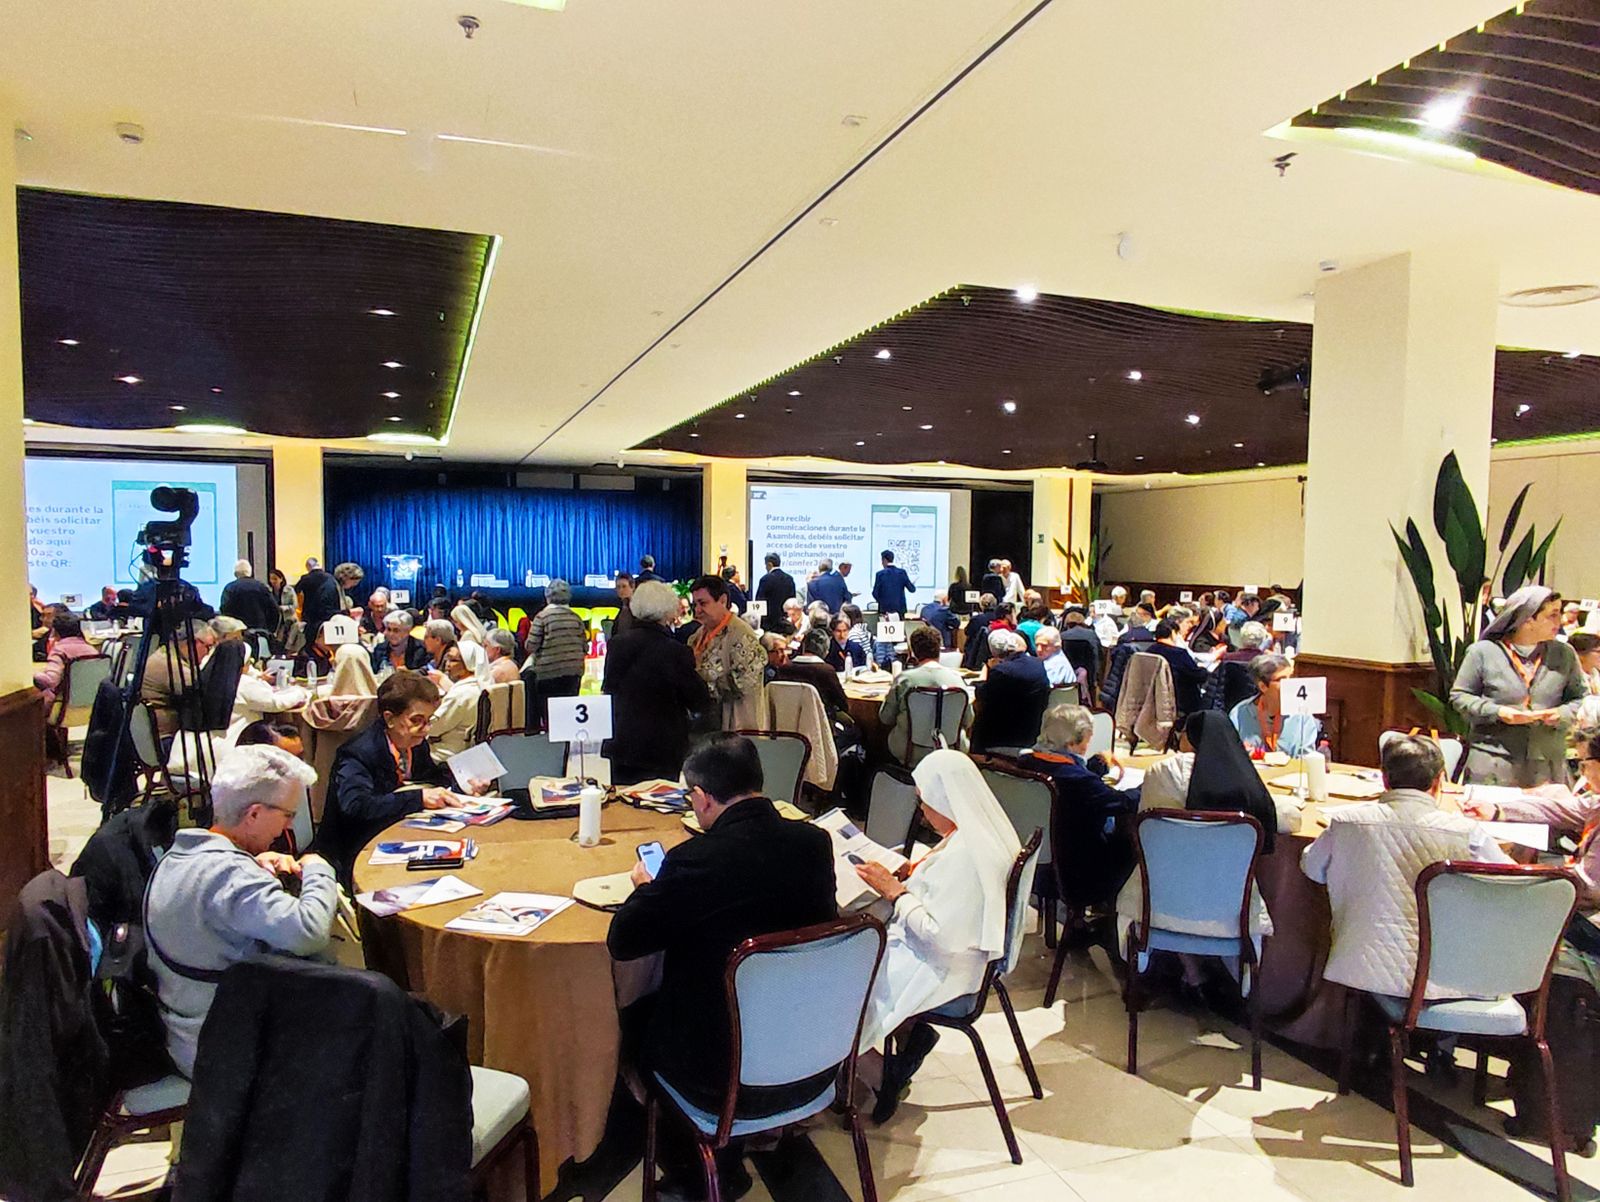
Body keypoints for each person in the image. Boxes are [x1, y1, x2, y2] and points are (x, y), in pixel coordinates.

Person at [608, 735, 836, 1196]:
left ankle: (697, 1167)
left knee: (630, 1017)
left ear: (702, 798)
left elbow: (624, 941)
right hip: (813, 1052)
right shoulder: (814, 842)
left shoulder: (696, 861)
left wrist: (645, 888)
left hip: (719, 1075)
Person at [144, 744, 334, 1077]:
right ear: (255, 814)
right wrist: (319, 870)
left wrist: (253, 865)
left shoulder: (177, 857)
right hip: (221, 1046)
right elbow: (309, 932)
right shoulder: (230, 875)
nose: (288, 827)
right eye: (288, 814)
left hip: (185, 1025)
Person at [854, 750, 1021, 1121]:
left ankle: (881, 1076)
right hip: (964, 960)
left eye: (925, 803)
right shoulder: (982, 832)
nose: (923, 812)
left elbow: (939, 935)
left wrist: (896, 893)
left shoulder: (967, 857)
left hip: (940, 966)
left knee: (838, 992)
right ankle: (910, 1035)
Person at [1301, 734, 1513, 1001]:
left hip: (1359, 966)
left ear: (1384, 779)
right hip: (1443, 975)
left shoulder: (1345, 821)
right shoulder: (1466, 832)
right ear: (1438, 783)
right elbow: (1510, 882)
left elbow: (1311, 867)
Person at [1117, 711, 1296, 996]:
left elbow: (1149, 826)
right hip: (1231, 910)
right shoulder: (1242, 776)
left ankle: (1188, 971)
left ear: (1189, 738)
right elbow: (1279, 819)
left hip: (1162, 905)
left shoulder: (1163, 773)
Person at [318, 671, 490, 885]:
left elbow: (431, 778)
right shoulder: (358, 753)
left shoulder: (414, 743)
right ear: (389, 718)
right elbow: (356, 806)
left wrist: (463, 785)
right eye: (417, 720)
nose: (425, 729)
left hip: (396, 838)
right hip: (353, 853)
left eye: (429, 720)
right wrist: (418, 799)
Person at [1451, 585, 1587, 786]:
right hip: (1494, 760)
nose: (1559, 622)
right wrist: (1498, 712)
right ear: (1528, 619)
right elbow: (1460, 696)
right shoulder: (1482, 652)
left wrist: (1562, 713)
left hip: (1547, 761)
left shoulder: (1564, 654)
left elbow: (1580, 698)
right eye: (1553, 615)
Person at [1020, 704, 1138, 911]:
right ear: (1073, 742)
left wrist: (1095, 767)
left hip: (1032, 866)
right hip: (1076, 875)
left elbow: (1069, 776)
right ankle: (1110, 917)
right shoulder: (1080, 782)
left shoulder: (1025, 763)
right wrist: (1152, 783)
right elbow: (1122, 803)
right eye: (1087, 739)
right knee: (1132, 843)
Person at [601, 581, 713, 785]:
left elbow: (609, 688)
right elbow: (699, 700)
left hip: (623, 742)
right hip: (663, 746)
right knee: (658, 809)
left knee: (623, 809)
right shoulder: (676, 651)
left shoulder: (617, 645)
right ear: (668, 612)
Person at [687, 573, 768, 731]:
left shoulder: (743, 635)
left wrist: (700, 681)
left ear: (723, 600)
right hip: (706, 725)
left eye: (703, 603)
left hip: (736, 727)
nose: (697, 610)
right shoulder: (697, 635)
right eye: (695, 604)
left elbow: (744, 684)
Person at [879, 626, 970, 760]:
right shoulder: (957, 680)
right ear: (939, 649)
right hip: (951, 750)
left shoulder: (904, 680)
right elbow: (968, 719)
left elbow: (885, 717)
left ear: (913, 653)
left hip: (909, 751)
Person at [521, 578, 587, 728]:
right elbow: (585, 646)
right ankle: (566, 745)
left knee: (550, 717)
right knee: (568, 716)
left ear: (547, 597)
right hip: (573, 673)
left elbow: (531, 646)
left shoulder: (542, 617)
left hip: (549, 674)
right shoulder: (576, 618)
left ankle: (552, 747)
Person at [971, 629, 1050, 754]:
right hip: (1031, 732)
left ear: (994, 653)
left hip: (1001, 737)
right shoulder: (1037, 664)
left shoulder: (1001, 671)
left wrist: (989, 670)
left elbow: (983, 696)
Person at [1230, 653, 1322, 756]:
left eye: (1291, 677)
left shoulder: (1302, 714)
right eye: (1281, 679)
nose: (1289, 684)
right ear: (1263, 686)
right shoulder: (1239, 714)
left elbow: (1306, 758)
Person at [142, 618, 218, 737]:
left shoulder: (167, 652)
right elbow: (207, 695)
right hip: (166, 737)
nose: (208, 652)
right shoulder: (169, 665)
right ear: (192, 642)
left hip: (159, 732)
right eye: (208, 647)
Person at [1142, 615, 1210, 717]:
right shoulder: (1178, 654)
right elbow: (1199, 676)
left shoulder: (1148, 651)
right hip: (1178, 702)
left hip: (1153, 700)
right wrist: (1204, 669)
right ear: (1173, 632)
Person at [32, 610, 99, 711]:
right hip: (91, 706)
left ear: (55, 631)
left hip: (62, 708)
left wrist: (32, 675)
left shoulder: (60, 651)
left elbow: (50, 681)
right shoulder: (92, 650)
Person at [426, 644, 481, 760]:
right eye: (447, 659)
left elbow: (433, 729)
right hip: (466, 750)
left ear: (468, 663)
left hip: (445, 753)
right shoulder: (479, 685)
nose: (447, 664)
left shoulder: (461, 694)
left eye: (453, 660)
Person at [219, 560, 280, 634]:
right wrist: (269, 631)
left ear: (235, 574)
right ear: (250, 572)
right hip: (260, 632)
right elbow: (274, 610)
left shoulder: (230, 588)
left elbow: (224, 610)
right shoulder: (262, 587)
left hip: (238, 633)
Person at [293, 557, 342, 647]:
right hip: (328, 615)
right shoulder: (330, 578)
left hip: (310, 615)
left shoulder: (305, 579)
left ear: (308, 567)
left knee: (310, 642)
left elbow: (295, 592)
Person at [370, 609, 429, 675]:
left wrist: (410, 674)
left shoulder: (422, 649)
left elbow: (426, 673)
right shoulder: (379, 649)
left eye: (396, 630)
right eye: (389, 629)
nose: (391, 634)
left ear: (408, 631)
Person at [1059, 606, 1103, 691]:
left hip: (1068, 676)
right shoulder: (1091, 634)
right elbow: (1098, 654)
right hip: (1089, 674)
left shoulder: (1062, 636)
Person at [751, 553, 796, 634]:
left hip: (769, 624)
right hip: (785, 622)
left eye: (765, 565)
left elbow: (759, 602)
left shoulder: (765, 579)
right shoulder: (789, 579)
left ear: (769, 564)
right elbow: (793, 600)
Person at [872, 549, 915, 617]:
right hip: (899, 609)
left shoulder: (880, 574)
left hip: (884, 610)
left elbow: (875, 593)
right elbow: (912, 589)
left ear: (884, 560)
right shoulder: (902, 573)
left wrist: (882, 602)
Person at [266, 567, 296, 641]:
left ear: (281, 579)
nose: (273, 581)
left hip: (287, 618)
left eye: (275, 579)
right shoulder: (268, 591)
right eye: (271, 579)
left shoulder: (289, 590)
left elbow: (295, 606)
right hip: (273, 619)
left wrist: (285, 608)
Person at [609, 572, 639, 643]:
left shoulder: (638, 608)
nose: (621, 590)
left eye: (624, 586)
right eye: (618, 587)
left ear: (632, 587)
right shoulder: (620, 607)